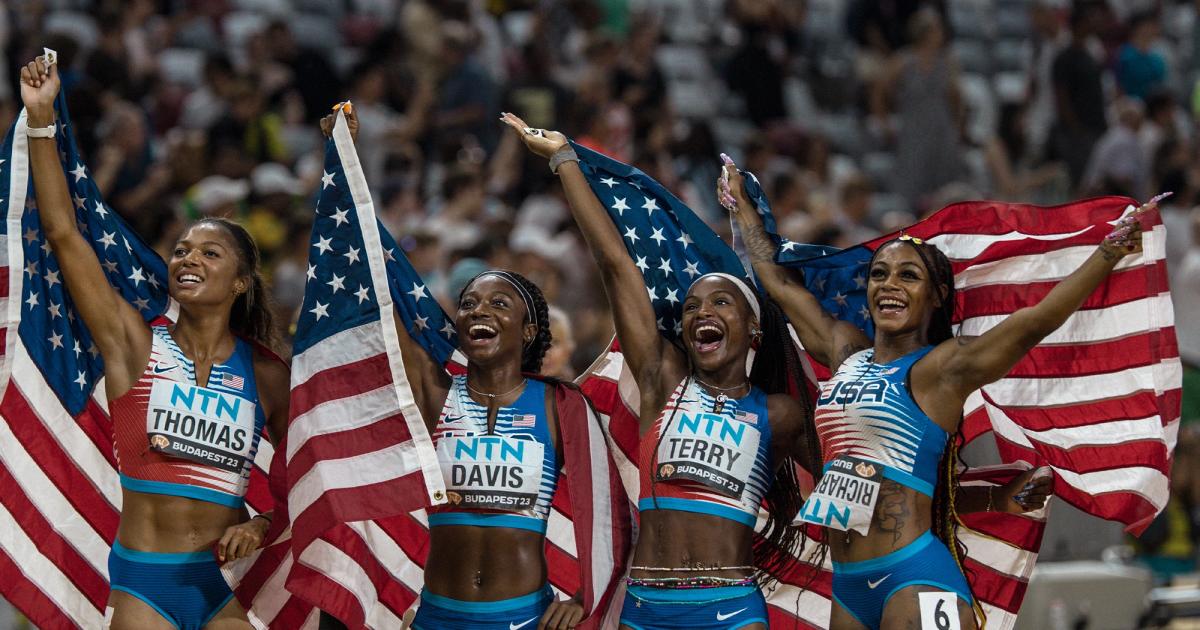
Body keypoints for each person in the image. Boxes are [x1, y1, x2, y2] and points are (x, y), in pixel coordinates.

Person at [721, 156, 1144, 629]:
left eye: (908, 276)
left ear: (937, 295)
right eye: (879, 274)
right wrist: (742, 208)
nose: (888, 285)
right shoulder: (845, 352)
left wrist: (1107, 254)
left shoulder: (942, 368)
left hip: (914, 575)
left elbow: (1034, 322)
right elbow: (777, 280)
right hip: (849, 581)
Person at [502, 112, 821, 630]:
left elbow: (849, 479)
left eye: (721, 302)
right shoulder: (661, 381)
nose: (701, 313)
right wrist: (565, 160)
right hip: (646, 608)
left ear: (754, 331)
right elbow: (615, 263)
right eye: (692, 307)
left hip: (732, 610)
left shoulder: (780, 413)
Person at [20, 57, 290, 629]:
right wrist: (42, 119)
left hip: (226, 584)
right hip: (146, 578)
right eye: (183, 249)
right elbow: (64, 235)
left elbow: (311, 478)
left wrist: (263, 522)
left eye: (209, 253)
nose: (189, 257)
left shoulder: (267, 373)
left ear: (240, 283)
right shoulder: (134, 344)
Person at [319, 107, 614, 630]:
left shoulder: (558, 403)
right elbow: (384, 294)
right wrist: (347, 164)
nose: (479, 312)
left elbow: (605, 509)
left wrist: (584, 595)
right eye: (470, 303)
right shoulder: (435, 392)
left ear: (528, 330)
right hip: (437, 615)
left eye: (500, 305)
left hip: (524, 617)